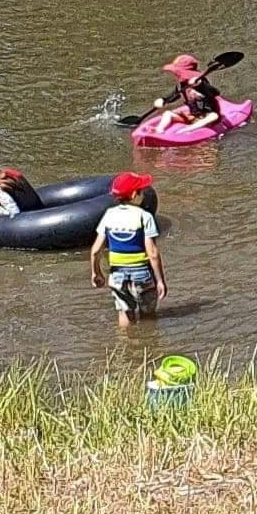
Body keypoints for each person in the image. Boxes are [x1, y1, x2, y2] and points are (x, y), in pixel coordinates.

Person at [89, 172, 166, 328]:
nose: (143, 194)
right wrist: (160, 281)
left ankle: (125, 346)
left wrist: (96, 272)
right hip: (142, 274)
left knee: (125, 312)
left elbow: (95, 251)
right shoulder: (144, 216)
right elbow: (152, 253)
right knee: (148, 314)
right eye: (141, 191)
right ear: (133, 194)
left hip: (117, 275)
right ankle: (147, 343)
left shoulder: (109, 216)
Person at [149, 54, 222, 134]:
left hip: (207, 115)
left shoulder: (201, 84)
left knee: (213, 116)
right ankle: (159, 129)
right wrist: (164, 100)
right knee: (167, 113)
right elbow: (174, 95)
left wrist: (200, 84)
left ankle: (187, 130)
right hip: (193, 116)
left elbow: (215, 92)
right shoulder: (182, 85)